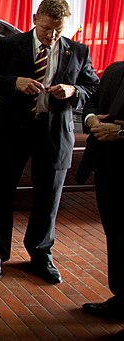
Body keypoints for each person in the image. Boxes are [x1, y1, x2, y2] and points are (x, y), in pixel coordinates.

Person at [0, 0, 98, 284]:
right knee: (2, 194)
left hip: (54, 133)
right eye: (46, 30)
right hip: (12, 131)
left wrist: (73, 90)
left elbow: (92, 87)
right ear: (34, 19)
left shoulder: (77, 51)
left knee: (49, 197)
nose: (52, 36)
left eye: (58, 30)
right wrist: (13, 82)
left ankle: (41, 254)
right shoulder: (9, 46)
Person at [76, 60, 124, 320]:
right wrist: (91, 118)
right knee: (115, 238)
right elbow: (92, 102)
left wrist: (122, 132)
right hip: (107, 169)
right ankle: (120, 299)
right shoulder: (116, 70)